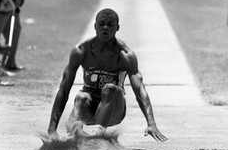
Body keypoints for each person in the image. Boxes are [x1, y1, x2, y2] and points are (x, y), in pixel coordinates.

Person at [47, 8, 168, 141]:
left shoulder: (125, 54)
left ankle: (97, 135)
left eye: (110, 24)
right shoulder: (80, 51)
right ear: (95, 26)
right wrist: (52, 129)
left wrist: (151, 123)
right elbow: (64, 90)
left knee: (109, 88)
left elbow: (139, 89)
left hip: (114, 110)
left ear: (117, 28)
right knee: (81, 97)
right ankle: (73, 134)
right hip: (89, 108)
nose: (105, 27)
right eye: (101, 24)